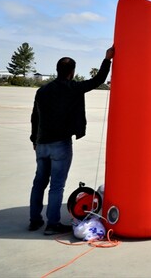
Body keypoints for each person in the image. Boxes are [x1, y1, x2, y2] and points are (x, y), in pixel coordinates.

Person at [28, 47, 114, 235]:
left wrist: (34, 139)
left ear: (57, 70)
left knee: (39, 183)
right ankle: (52, 224)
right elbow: (98, 80)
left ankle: (34, 220)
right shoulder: (73, 88)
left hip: (41, 144)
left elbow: (35, 117)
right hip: (60, 144)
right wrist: (107, 59)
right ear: (72, 72)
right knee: (56, 186)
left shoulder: (42, 91)